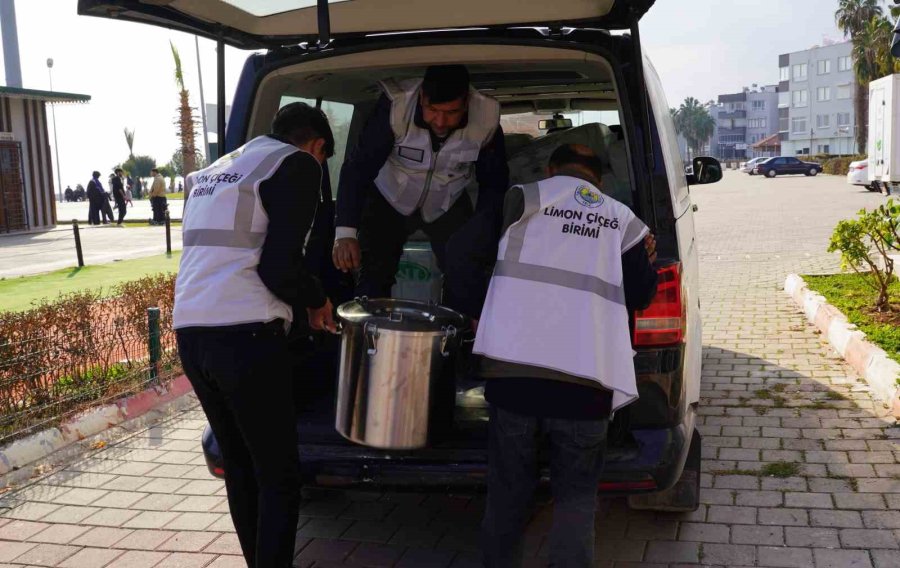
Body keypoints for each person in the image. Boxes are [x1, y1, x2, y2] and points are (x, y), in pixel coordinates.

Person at [474, 143, 659, 568]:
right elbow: (642, 294)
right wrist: (644, 261)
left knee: (506, 498)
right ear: (600, 178)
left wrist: (481, 310)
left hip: (513, 377)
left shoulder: (522, 199)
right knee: (576, 502)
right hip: (586, 383)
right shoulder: (622, 220)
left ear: (552, 169)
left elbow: (464, 256)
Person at [173, 102, 337, 568]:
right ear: (318, 145)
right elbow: (278, 268)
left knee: (241, 467)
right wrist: (318, 300)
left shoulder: (215, 171)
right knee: (279, 475)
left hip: (192, 333)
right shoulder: (297, 163)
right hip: (245, 336)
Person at [332, 64, 509, 312]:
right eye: (432, 110)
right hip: (389, 196)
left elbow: (494, 183)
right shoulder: (397, 105)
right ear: (422, 97)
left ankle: (460, 339)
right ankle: (369, 341)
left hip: (448, 199)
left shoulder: (487, 116)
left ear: (467, 103)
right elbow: (358, 167)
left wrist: (484, 234)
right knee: (373, 276)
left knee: (466, 273)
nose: (440, 121)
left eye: (451, 112)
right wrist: (345, 233)